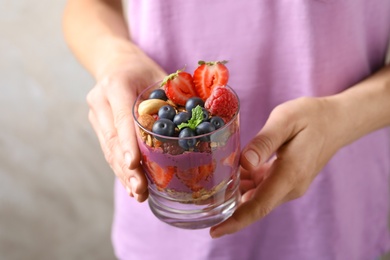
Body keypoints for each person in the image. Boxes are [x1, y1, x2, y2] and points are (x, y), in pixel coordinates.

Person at [63, 1, 390, 259]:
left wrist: (341, 118)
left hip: (335, 202)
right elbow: (88, 5)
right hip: (167, 212)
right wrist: (117, 59)